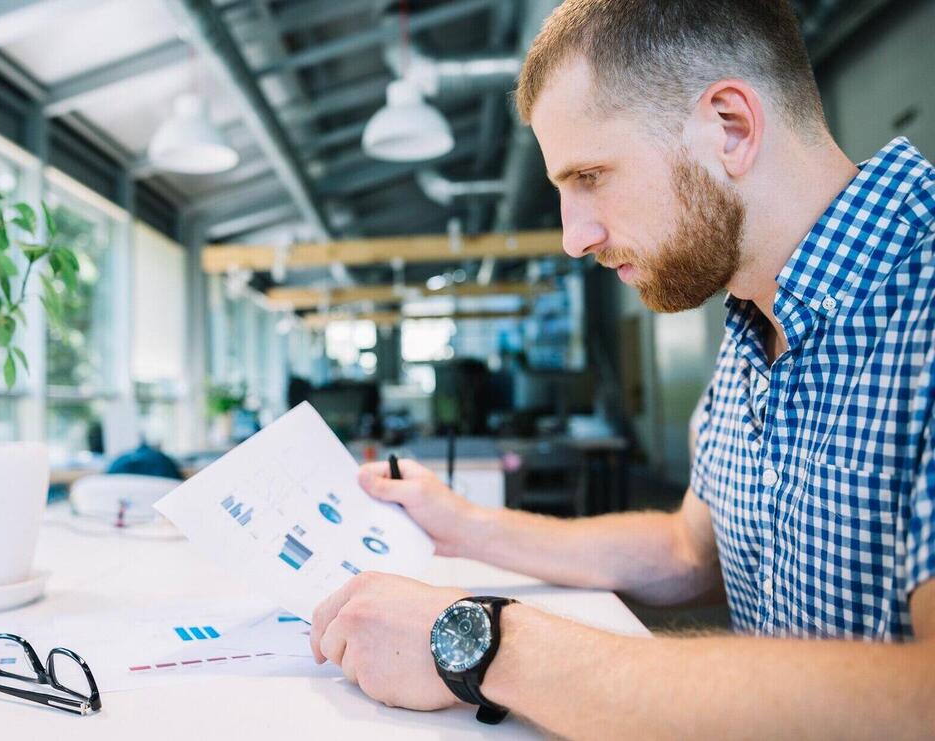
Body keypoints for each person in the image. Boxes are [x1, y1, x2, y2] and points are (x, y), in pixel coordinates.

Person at [307, 0, 935, 736]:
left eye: (591, 175)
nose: (576, 237)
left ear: (730, 126)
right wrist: (464, 525)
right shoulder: (754, 318)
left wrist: (483, 642)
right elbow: (687, 549)